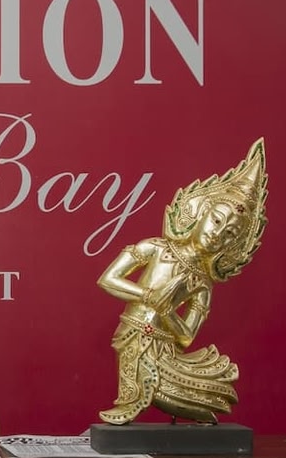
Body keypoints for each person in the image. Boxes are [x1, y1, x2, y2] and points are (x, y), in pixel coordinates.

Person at [96, 139, 268, 425]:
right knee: (138, 385)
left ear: (232, 245)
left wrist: (167, 312)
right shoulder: (155, 248)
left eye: (229, 234)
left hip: (163, 345)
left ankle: (196, 406)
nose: (217, 234)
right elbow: (108, 279)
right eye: (216, 221)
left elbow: (186, 336)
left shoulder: (202, 284)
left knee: (168, 393)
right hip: (132, 332)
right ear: (199, 213)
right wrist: (147, 296)